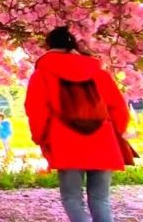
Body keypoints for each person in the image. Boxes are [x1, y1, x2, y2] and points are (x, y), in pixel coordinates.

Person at [25, 26, 130, 222]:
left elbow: (36, 109)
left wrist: (39, 137)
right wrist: (116, 131)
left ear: (48, 46)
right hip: (103, 139)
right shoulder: (99, 73)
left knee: (72, 198)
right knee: (101, 198)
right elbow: (118, 107)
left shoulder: (42, 74)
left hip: (64, 139)